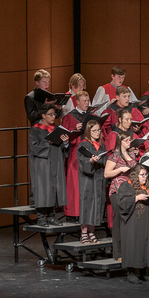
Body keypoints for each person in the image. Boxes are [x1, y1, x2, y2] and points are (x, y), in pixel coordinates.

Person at [116, 164, 149, 283]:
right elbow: (121, 202)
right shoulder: (127, 186)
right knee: (134, 245)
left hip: (147, 221)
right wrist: (136, 198)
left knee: (146, 245)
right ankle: (131, 272)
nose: (145, 177)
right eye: (142, 175)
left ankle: (144, 272)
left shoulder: (148, 187)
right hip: (132, 222)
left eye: (146, 175)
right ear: (135, 175)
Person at [28, 103, 68, 226]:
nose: (53, 117)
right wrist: (48, 142)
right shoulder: (35, 129)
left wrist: (65, 143)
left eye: (54, 114)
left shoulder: (57, 129)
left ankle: (51, 216)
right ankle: (40, 217)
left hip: (56, 161)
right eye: (50, 114)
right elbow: (34, 147)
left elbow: (63, 148)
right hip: (42, 164)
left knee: (54, 187)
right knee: (42, 188)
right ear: (43, 115)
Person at [61, 90, 92, 219]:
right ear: (77, 102)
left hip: (90, 153)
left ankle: (88, 213)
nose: (86, 103)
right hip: (75, 153)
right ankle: (73, 213)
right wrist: (74, 131)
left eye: (88, 100)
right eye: (84, 101)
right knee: (74, 184)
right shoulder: (68, 118)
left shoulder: (92, 117)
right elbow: (63, 138)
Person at [105, 130, 136, 259]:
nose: (129, 142)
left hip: (130, 190)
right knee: (118, 220)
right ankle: (118, 253)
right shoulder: (114, 156)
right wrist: (120, 169)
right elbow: (106, 174)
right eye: (126, 140)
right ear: (120, 141)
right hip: (117, 190)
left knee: (130, 221)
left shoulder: (132, 155)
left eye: (130, 140)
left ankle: (129, 250)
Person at [76, 120, 106, 244]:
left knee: (97, 205)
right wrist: (91, 161)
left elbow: (105, 160)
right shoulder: (83, 145)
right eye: (94, 130)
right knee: (87, 204)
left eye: (98, 130)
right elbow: (82, 162)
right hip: (87, 179)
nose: (97, 132)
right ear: (88, 131)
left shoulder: (102, 145)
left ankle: (92, 232)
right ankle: (83, 233)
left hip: (99, 178)